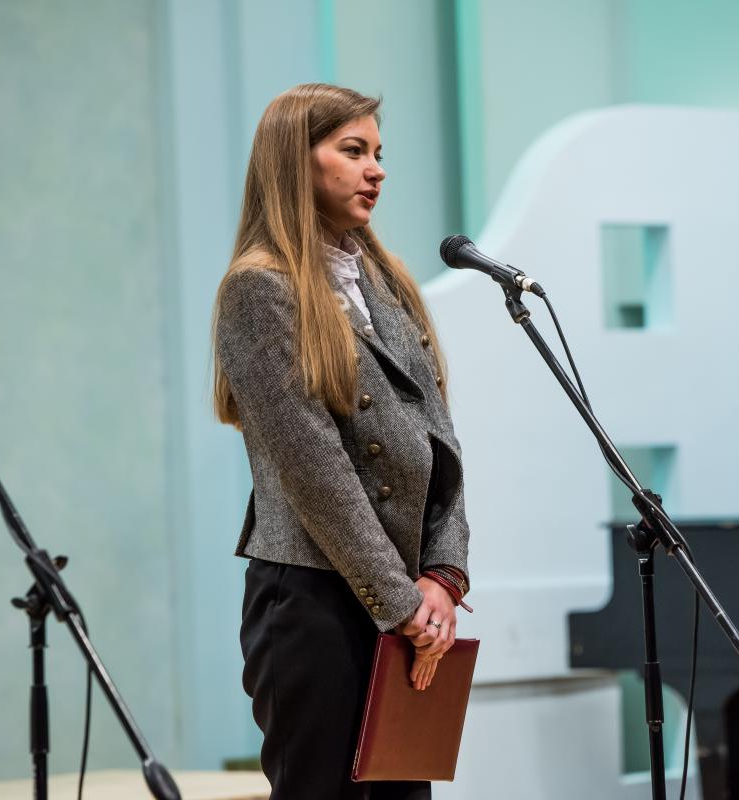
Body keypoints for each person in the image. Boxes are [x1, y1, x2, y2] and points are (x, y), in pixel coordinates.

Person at [211, 83, 473, 799]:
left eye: (379, 153)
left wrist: (444, 575)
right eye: (353, 151)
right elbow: (316, 471)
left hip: (403, 597)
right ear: (294, 161)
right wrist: (404, 605)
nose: (376, 170)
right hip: (314, 604)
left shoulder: (386, 281)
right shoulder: (259, 291)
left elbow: (440, 443)